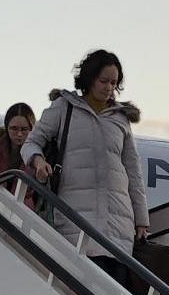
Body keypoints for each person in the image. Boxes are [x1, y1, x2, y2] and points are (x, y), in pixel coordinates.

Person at [24, 49, 148, 253]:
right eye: (104, 80)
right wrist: (38, 162)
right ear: (90, 78)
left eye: (114, 83)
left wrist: (141, 220)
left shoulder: (121, 119)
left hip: (117, 224)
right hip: (74, 218)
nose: (109, 88)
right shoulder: (64, 107)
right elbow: (32, 142)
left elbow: (133, 172)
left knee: (111, 278)